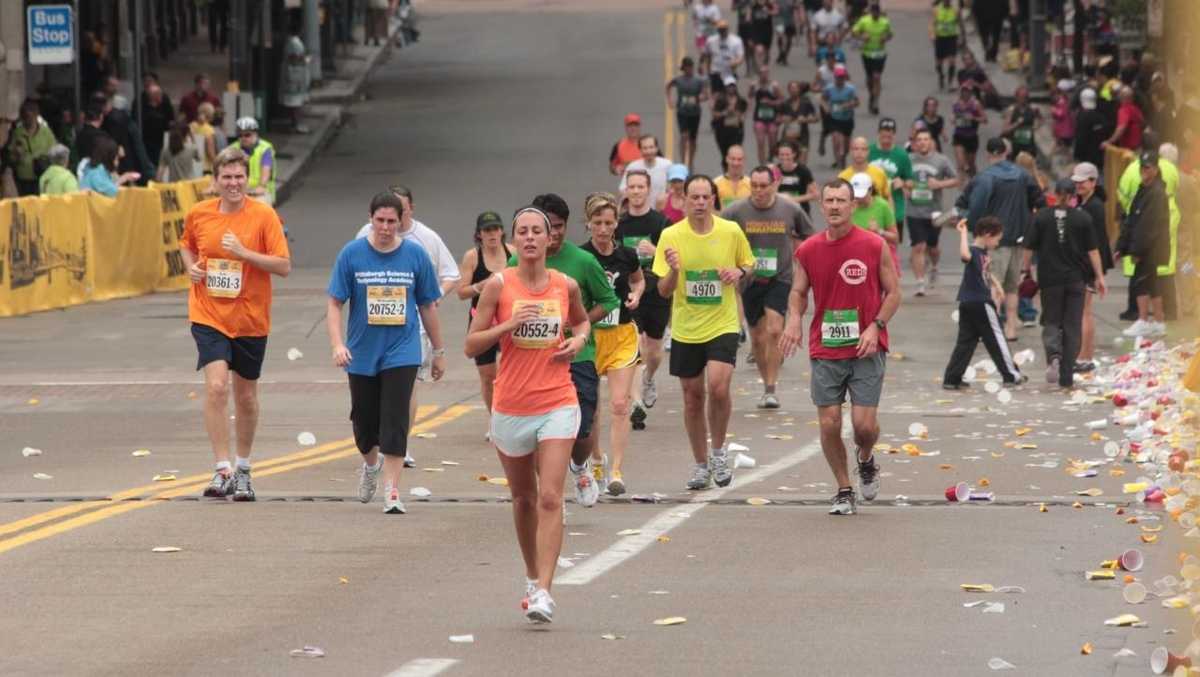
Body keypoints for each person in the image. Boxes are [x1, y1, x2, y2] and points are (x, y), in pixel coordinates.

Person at [465, 207, 591, 625]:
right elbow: (471, 344)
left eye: (540, 230)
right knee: (523, 499)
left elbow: (582, 322)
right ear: (513, 241)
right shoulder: (498, 287)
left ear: (549, 239)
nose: (533, 237)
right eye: (524, 232)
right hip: (511, 406)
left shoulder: (565, 284)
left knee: (551, 496)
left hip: (557, 401)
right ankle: (531, 573)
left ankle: (544, 591)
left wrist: (577, 342)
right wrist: (508, 326)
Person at [779, 178, 901, 515]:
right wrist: (793, 319)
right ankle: (844, 489)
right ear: (821, 206)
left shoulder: (874, 245)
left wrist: (876, 327)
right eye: (829, 200)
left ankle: (866, 457)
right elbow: (799, 292)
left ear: (852, 205)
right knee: (830, 422)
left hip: (866, 348)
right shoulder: (808, 250)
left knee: (864, 428)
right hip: (826, 347)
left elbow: (894, 293)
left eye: (841, 200)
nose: (834, 206)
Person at [180, 146, 291, 501]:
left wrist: (244, 253)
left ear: (247, 179)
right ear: (214, 181)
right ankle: (221, 468)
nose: (233, 183)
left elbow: (283, 265)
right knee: (215, 387)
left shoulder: (263, 216)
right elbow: (186, 245)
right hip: (208, 313)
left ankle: (243, 468)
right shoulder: (199, 214)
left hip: (250, 318)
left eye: (239, 177)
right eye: (226, 177)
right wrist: (191, 267)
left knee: (245, 395)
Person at [327, 192, 445, 514]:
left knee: (395, 417)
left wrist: (439, 350)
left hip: (402, 349)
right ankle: (370, 466)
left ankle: (393, 491)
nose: (385, 227)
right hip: (362, 352)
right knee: (364, 424)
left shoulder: (415, 256)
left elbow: (427, 305)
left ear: (401, 222)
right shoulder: (352, 255)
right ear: (370, 219)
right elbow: (335, 303)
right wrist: (338, 344)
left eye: (392, 221)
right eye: (380, 220)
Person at [513, 194, 620, 510]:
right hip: (533, 360)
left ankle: (580, 466)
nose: (554, 234)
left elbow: (609, 301)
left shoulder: (583, 262)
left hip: (578, 356)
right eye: (549, 227)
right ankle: (550, 497)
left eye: (559, 227)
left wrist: (578, 325)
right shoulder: (516, 262)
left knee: (582, 430)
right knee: (538, 432)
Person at [652, 175, 756, 490]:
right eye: (693, 197)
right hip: (686, 327)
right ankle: (701, 464)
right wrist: (674, 269)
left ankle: (719, 452)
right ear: (683, 200)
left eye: (704, 197)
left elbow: (750, 265)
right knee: (693, 397)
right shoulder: (671, 235)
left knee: (719, 387)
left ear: (713, 200)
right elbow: (662, 291)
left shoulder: (731, 231)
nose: (699, 203)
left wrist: (738, 272)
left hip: (722, 323)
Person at [355, 185, 462, 466]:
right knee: (374, 391)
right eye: (383, 216)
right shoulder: (362, 238)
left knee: (407, 387)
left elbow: (451, 273)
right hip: (372, 328)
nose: (390, 222)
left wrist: (433, 298)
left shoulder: (424, 239)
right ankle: (376, 441)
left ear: (408, 210)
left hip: (413, 327)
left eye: (397, 213)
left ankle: (399, 443)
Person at [722, 165, 813, 408]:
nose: (759, 191)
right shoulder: (736, 210)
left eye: (764, 186)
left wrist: (803, 261)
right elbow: (717, 234)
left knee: (774, 329)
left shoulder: (789, 208)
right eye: (755, 186)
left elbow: (809, 235)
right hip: (749, 280)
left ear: (774, 184)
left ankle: (772, 389)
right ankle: (766, 386)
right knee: (759, 338)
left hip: (780, 277)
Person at [580, 193, 644, 496]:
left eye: (609, 223)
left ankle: (616, 471)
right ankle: (595, 461)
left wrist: (637, 295)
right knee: (590, 409)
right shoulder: (581, 257)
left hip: (621, 335)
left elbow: (638, 280)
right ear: (588, 224)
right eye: (597, 223)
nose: (603, 229)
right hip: (590, 337)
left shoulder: (627, 255)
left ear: (617, 224)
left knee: (620, 404)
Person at [956, 137, 1046, 341]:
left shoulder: (984, 177)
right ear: (1006, 152)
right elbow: (1039, 201)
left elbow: (971, 204)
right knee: (1012, 286)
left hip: (993, 240)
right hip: (1018, 239)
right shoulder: (1023, 175)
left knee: (991, 285)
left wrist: (972, 227)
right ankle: (1011, 328)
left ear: (988, 154)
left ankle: (991, 328)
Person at [1022, 179, 1107, 388]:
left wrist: (1026, 272)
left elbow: (1028, 248)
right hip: (1075, 280)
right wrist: (1099, 276)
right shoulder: (1083, 218)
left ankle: (1054, 356)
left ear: (1055, 193)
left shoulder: (1041, 217)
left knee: (1051, 320)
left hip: (1050, 279)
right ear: (1072, 196)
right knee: (1072, 324)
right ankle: (1067, 373)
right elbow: (1093, 251)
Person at [942, 217, 1025, 389]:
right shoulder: (973, 250)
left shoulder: (982, 253)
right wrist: (963, 233)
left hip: (967, 302)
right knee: (997, 338)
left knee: (966, 341)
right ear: (987, 234)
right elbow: (965, 255)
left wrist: (996, 285)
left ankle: (952, 377)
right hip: (980, 301)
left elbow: (985, 272)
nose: (998, 242)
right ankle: (1011, 374)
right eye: (997, 238)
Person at [622, 169, 673, 414]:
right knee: (637, 343)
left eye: (640, 187)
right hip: (630, 291)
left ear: (648, 189)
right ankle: (636, 402)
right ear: (626, 190)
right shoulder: (619, 224)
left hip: (657, 290)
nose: (636, 191)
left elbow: (676, 257)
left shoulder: (661, 223)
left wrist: (655, 251)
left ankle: (649, 378)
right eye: (631, 187)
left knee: (653, 351)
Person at [457, 211, 516, 420]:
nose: (492, 234)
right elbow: (461, 292)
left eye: (496, 229)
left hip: (508, 318)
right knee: (488, 374)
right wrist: (480, 286)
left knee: (511, 371)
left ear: (502, 231)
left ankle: (513, 412)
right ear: (479, 234)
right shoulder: (472, 257)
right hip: (482, 320)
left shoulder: (513, 253)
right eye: (487, 230)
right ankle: (495, 420)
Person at [1115, 150, 1170, 337]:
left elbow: (1148, 224)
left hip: (1149, 247)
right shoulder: (1145, 189)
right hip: (1148, 245)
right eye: (1142, 167)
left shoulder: (1155, 193)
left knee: (1141, 283)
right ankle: (1159, 321)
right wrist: (1121, 246)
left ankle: (1143, 319)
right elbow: (1133, 218)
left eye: (1147, 167)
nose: (1143, 171)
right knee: (1152, 283)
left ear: (1155, 169)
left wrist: (1137, 250)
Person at [907, 128, 958, 296]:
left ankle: (934, 266)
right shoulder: (908, 160)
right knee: (918, 246)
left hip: (934, 212)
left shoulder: (941, 160)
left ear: (931, 142)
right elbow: (898, 179)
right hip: (913, 210)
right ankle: (920, 283)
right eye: (919, 139)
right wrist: (904, 188)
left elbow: (956, 179)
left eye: (925, 139)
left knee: (932, 247)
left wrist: (939, 184)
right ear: (915, 143)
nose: (922, 142)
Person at [1071, 162, 1110, 372]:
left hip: (1088, 267)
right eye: (1076, 181)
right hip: (1086, 265)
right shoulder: (1085, 203)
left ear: (1093, 182)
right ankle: (1083, 354)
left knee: (1085, 312)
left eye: (1082, 182)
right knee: (1083, 312)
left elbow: (1095, 244)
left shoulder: (1093, 206)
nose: (1078, 185)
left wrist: (1097, 273)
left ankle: (1085, 357)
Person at [848, 172, 900, 276]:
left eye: (861, 194)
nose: (858, 198)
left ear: (870, 190)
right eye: (855, 194)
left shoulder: (882, 206)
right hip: (856, 258)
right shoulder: (848, 207)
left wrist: (879, 231)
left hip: (880, 256)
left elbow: (895, 238)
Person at [868, 118, 913, 239]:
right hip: (870, 206)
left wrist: (903, 183)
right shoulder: (868, 151)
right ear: (879, 132)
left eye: (890, 132)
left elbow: (910, 181)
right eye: (884, 131)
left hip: (895, 208)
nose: (887, 134)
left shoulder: (902, 155)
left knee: (892, 243)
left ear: (894, 134)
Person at [6, 99, 57, 196]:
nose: (27, 120)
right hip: (23, 177)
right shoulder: (18, 133)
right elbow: (10, 157)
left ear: (36, 115)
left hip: (42, 175)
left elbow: (55, 151)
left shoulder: (46, 132)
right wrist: (16, 155)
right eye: (24, 117)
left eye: (29, 116)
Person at [666, 57, 709, 169]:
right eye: (687, 67)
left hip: (695, 113)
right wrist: (670, 100)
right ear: (683, 68)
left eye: (691, 67)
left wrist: (701, 97)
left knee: (693, 139)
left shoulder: (698, 81)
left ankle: (690, 161)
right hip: (682, 112)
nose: (689, 69)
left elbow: (706, 95)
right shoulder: (678, 80)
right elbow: (668, 86)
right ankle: (682, 161)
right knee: (684, 136)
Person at [851, 3, 892, 115]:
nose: (875, 14)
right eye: (873, 12)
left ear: (879, 12)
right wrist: (861, 37)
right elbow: (854, 31)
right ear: (870, 12)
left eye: (877, 12)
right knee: (869, 79)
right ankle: (871, 95)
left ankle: (875, 102)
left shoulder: (885, 22)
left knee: (877, 77)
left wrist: (886, 38)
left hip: (880, 54)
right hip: (867, 53)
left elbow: (890, 34)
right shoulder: (864, 20)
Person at [821, 65, 858, 169]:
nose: (840, 79)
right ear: (835, 77)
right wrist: (826, 107)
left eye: (842, 77)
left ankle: (842, 157)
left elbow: (857, 102)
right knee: (836, 140)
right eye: (838, 77)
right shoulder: (829, 88)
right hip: (834, 119)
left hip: (847, 120)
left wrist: (849, 104)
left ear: (845, 77)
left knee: (846, 147)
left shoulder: (850, 89)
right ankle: (838, 162)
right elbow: (823, 99)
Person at [233, 117, 275, 205]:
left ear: (255, 134)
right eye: (240, 135)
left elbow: (266, 169)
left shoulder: (265, 148)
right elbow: (221, 167)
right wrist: (213, 185)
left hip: (260, 191)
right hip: (237, 190)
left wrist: (262, 186)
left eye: (247, 135)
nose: (243, 138)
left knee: (259, 208)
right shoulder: (233, 148)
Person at [838, 136, 891, 207]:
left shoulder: (879, 173)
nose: (859, 152)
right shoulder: (842, 177)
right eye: (856, 149)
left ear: (868, 152)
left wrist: (891, 216)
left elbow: (888, 197)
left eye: (863, 149)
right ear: (850, 151)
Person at [619, 134, 670, 205]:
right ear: (640, 150)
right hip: (640, 210)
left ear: (657, 148)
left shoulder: (667, 165)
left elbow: (673, 188)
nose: (648, 151)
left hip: (661, 210)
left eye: (651, 147)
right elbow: (623, 189)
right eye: (645, 148)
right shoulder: (633, 167)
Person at [749, 66, 785, 164]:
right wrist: (751, 89)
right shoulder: (755, 85)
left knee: (772, 142)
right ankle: (762, 164)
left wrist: (770, 102)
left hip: (772, 117)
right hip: (759, 117)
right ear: (759, 74)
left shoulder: (774, 86)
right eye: (762, 73)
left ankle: (770, 157)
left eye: (766, 73)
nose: (764, 75)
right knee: (760, 142)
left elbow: (782, 100)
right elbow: (750, 96)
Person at [951, 85, 987, 178]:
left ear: (971, 93)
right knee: (961, 165)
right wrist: (953, 119)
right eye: (964, 91)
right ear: (961, 92)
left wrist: (974, 118)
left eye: (968, 91)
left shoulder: (976, 104)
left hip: (971, 137)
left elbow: (985, 119)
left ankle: (975, 180)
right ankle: (963, 187)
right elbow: (953, 116)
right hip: (959, 136)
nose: (965, 93)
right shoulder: (956, 103)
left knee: (971, 165)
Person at [777, 81, 818, 160]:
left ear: (799, 90)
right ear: (788, 90)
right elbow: (777, 119)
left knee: (802, 163)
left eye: (795, 88)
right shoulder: (785, 103)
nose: (793, 90)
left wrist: (805, 119)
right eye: (791, 88)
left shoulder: (805, 102)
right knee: (789, 161)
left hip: (803, 136)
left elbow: (816, 118)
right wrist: (783, 119)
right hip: (788, 136)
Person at [702, 21, 745, 93]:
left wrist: (736, 62)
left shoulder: (736, 41)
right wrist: (708, 71)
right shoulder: (711, 40)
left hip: (729, 73)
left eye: (724, 29)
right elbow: (708, 56)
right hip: (716, 72)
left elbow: (741, 57)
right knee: (717, 96)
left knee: (730, 94)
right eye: (720, 29)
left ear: (727, 29)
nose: (722, 31)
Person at [711, 77, 748, 163]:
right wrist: (725, 112)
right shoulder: (720, 100)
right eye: (729, 86)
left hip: (736, 131)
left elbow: (744, 114)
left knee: (735, 153)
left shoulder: (740, 100)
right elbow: (715, 114)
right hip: (722, 131)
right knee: (725, 154)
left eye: (733, 86)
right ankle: (726, 171)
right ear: (725, 87)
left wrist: (736, 113)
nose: (731, 88)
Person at [775, 141, 818, 214]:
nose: (784, 157)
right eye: (782, 155)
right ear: (778, 156)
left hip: (800, 211)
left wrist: (794, 199)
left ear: (794, 154)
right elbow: (771, 192)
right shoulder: (775, 170)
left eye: (787, 154)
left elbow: (815, 194)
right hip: (781, 211)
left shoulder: (803, 170)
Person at [1002, 86, 1042, 159]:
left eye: (1026, 97)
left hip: (1029, 145)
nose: (1024, 99)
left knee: (1028, 167)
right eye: (1022, 97)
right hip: (1015, 145)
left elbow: (1041, 119)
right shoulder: (1011, 110)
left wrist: (1036, 127)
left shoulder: (1033, 109)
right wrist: (1017, 123)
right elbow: (1005, 130)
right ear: (1016, 97)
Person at [1072, 88, 1108, 169]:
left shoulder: (1082, 117)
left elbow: (1080, 138)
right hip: (1099, 155)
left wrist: (1076, 155)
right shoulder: (1101, 116)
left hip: (1086, 156)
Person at [1102, 86, 1145, 152]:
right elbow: (1142, 123)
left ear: (1121, 97)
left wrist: (1109, 141)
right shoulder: (1136, 109)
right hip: (1138, 147)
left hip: (1128, 149)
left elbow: (1121, 128)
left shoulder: (1124, 110)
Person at [930, 0, 961, 90]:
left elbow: (959, 23)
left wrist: (961, 36)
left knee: (952, 60)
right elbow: (933, 23)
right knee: (939, 63)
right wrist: (932, 34)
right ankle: (941, 75)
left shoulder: (955, 10)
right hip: (940, 38)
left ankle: (950, 82)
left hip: (951, 38)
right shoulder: (936, 10)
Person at [140, 82, 174, 164]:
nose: (162, 96)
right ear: (155, 96)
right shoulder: (150, 114)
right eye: (160, 94)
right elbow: (165, 125)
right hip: (154, 146)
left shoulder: (160, 109)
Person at [190, 102, 219, 175]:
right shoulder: (208, 129)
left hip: (192, 166)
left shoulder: (191, 126)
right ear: (210, 115)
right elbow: (210, 152)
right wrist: (218, 163)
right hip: (205, 168)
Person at [774, 0, 800, 66]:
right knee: (781, 37)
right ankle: (782, 52)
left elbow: (797, 6)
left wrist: (794, 5)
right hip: (779, 19)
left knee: (789, 40)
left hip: (790, 20)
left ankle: (784, 55)